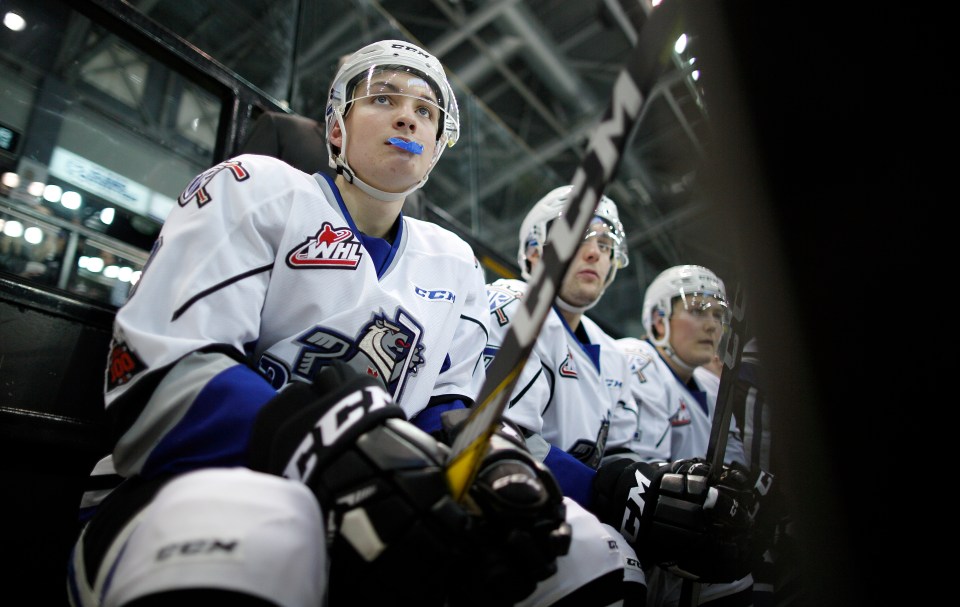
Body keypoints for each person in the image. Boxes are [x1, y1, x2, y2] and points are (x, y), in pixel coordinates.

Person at [66, 39, 572, 607]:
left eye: (426, 110)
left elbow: (448, 411)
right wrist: (336, 449)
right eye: (384, 98)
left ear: (434, 150)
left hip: (367, 519)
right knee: (263, 537)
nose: (408, 115)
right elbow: (158, 371)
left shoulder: (454, 263)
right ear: (336, 129)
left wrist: (489, 460)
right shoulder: (256, 188)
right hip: (194, 490)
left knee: (582, 554)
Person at [485, 185, 646, 605]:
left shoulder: (613, 351)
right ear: (535, 253)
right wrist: (613, 495)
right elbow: (500, 439)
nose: (595, 252)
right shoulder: (515, 301)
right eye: (578, 236)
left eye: (605, 243)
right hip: (514, 511)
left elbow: (623, 455)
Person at [604, 265, 766, 607]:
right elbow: (639, 476)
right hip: (632, 538)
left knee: (737, 579)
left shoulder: (710, 386)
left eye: (719, 314)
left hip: (689, 541)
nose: (712, 324)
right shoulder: (637, 360)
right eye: (697, 310)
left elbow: (734, 468)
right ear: (659, 319)